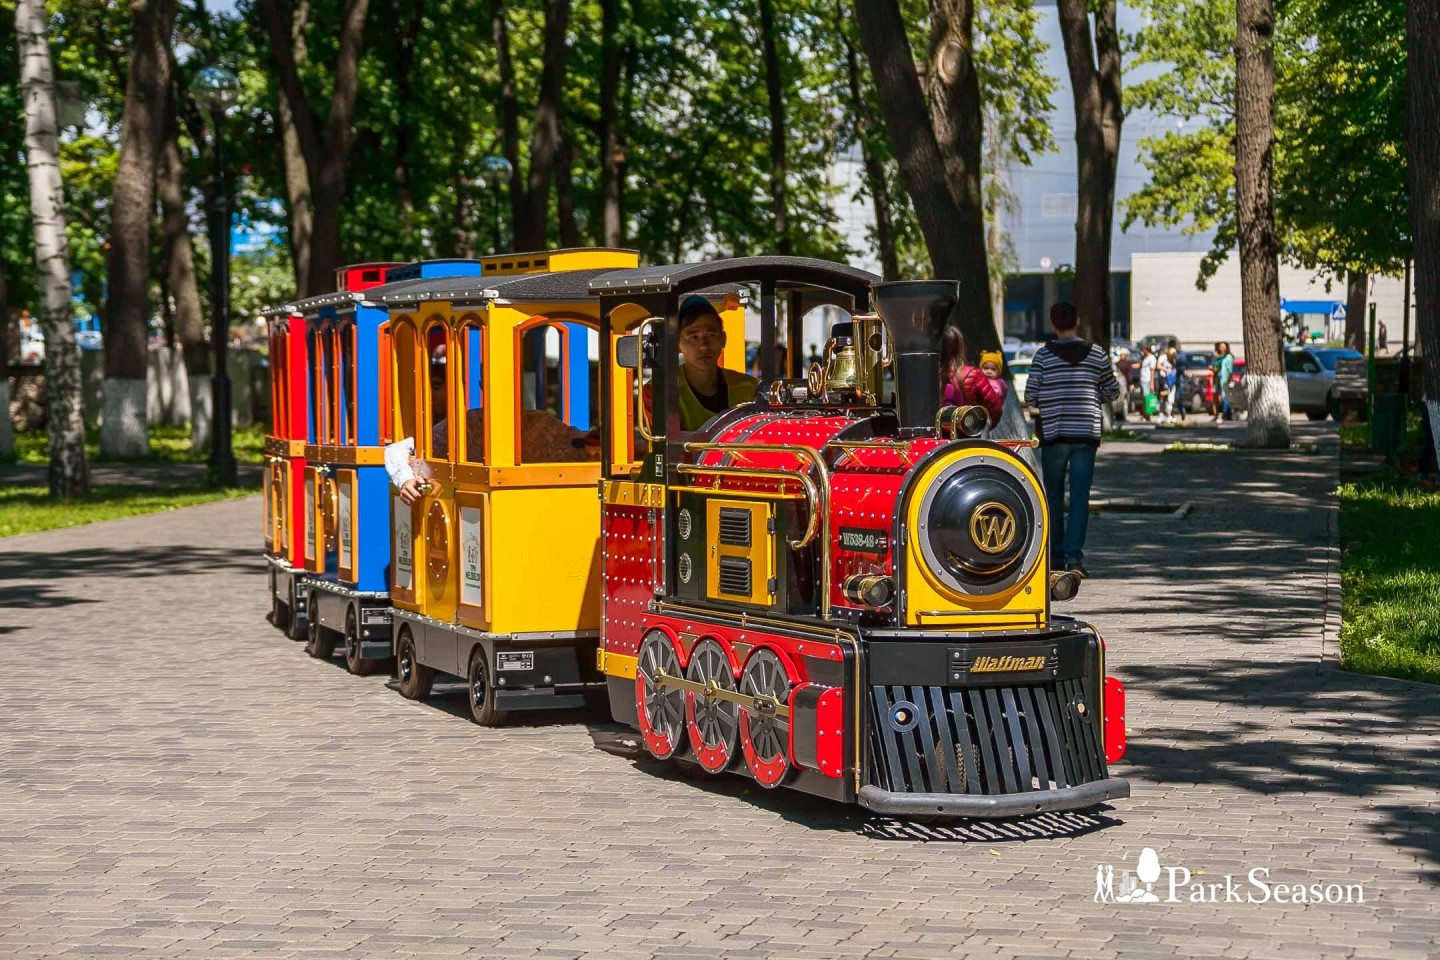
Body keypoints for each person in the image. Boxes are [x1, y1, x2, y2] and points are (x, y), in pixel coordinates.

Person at [1023, 302, 1121, 578]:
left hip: (1053, 436)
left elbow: (1030, 396)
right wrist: (1091, 396)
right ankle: (1075, 558)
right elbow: (1112, 391)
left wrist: (1051, 401)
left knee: (1053, 497)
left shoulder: (1043, 357)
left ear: (1053, 324)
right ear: (1077, 321)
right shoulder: (1097, 354)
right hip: (1086, 435)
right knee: (1080, 497)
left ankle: (1054, 558)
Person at [645, 297, 758, 432]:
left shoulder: (751, 389)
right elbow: (671, 449)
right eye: (693, 337)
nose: (704, 346)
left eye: (711, 335)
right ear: (677, 344)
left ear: (723, 339)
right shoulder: (658, 390)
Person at [939, 326, 1005, 427]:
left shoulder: (926, 374)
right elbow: (994, 407)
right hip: (968, 433)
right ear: (961, 347)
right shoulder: (972, 374)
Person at [1211, 341, 1235, 422]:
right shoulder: (1220, 357)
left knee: (1225, 397)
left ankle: (1226, 414)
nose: (1221, 348)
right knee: (1222, 397)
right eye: (1220, 346)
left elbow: (1230, 370)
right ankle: (1224, 414)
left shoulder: (1228, 357)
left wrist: (1229, 379)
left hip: (1225, 380)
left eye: (1223, 346)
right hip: (1219, 380)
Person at [1138, 343, 1158, 421]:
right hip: (1143, 379)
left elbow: (1152, 370)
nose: (1143, 351)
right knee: (1144, 398)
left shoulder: (1152, 358)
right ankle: (1145, 414)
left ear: (1146, 350)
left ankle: (1148, 414)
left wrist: (1151, 383)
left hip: (1147, 380)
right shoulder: (1146, 358)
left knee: (1147, 398)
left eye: (1143, 350)